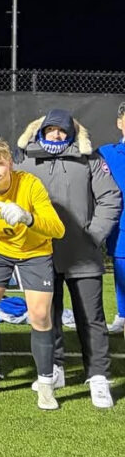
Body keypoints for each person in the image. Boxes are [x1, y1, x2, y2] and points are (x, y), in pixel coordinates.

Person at [15, 109, 118, 408]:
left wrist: (93, 235)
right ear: (41, 132)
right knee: (48, 316)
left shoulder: (90, 160)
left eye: (61, 130)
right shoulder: (26, 161)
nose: (56, 135)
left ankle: (98, 377)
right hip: (41, 254)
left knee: (91, 318)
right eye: (50, 130)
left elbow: (110, 198)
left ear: (72, 133)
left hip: (82, 254)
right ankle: (55, 368)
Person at [0, 139, 65, 409]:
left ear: (10, 163)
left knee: (40, 314)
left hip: (36, 250)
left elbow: (57, 229)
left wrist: (28, 217)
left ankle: (45, 384)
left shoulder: (30, 184)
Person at [99, 102, 125, 334]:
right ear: (119, 122)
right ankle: (123, 315)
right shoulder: (106, 153)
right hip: (121, 225)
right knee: (121, 271)